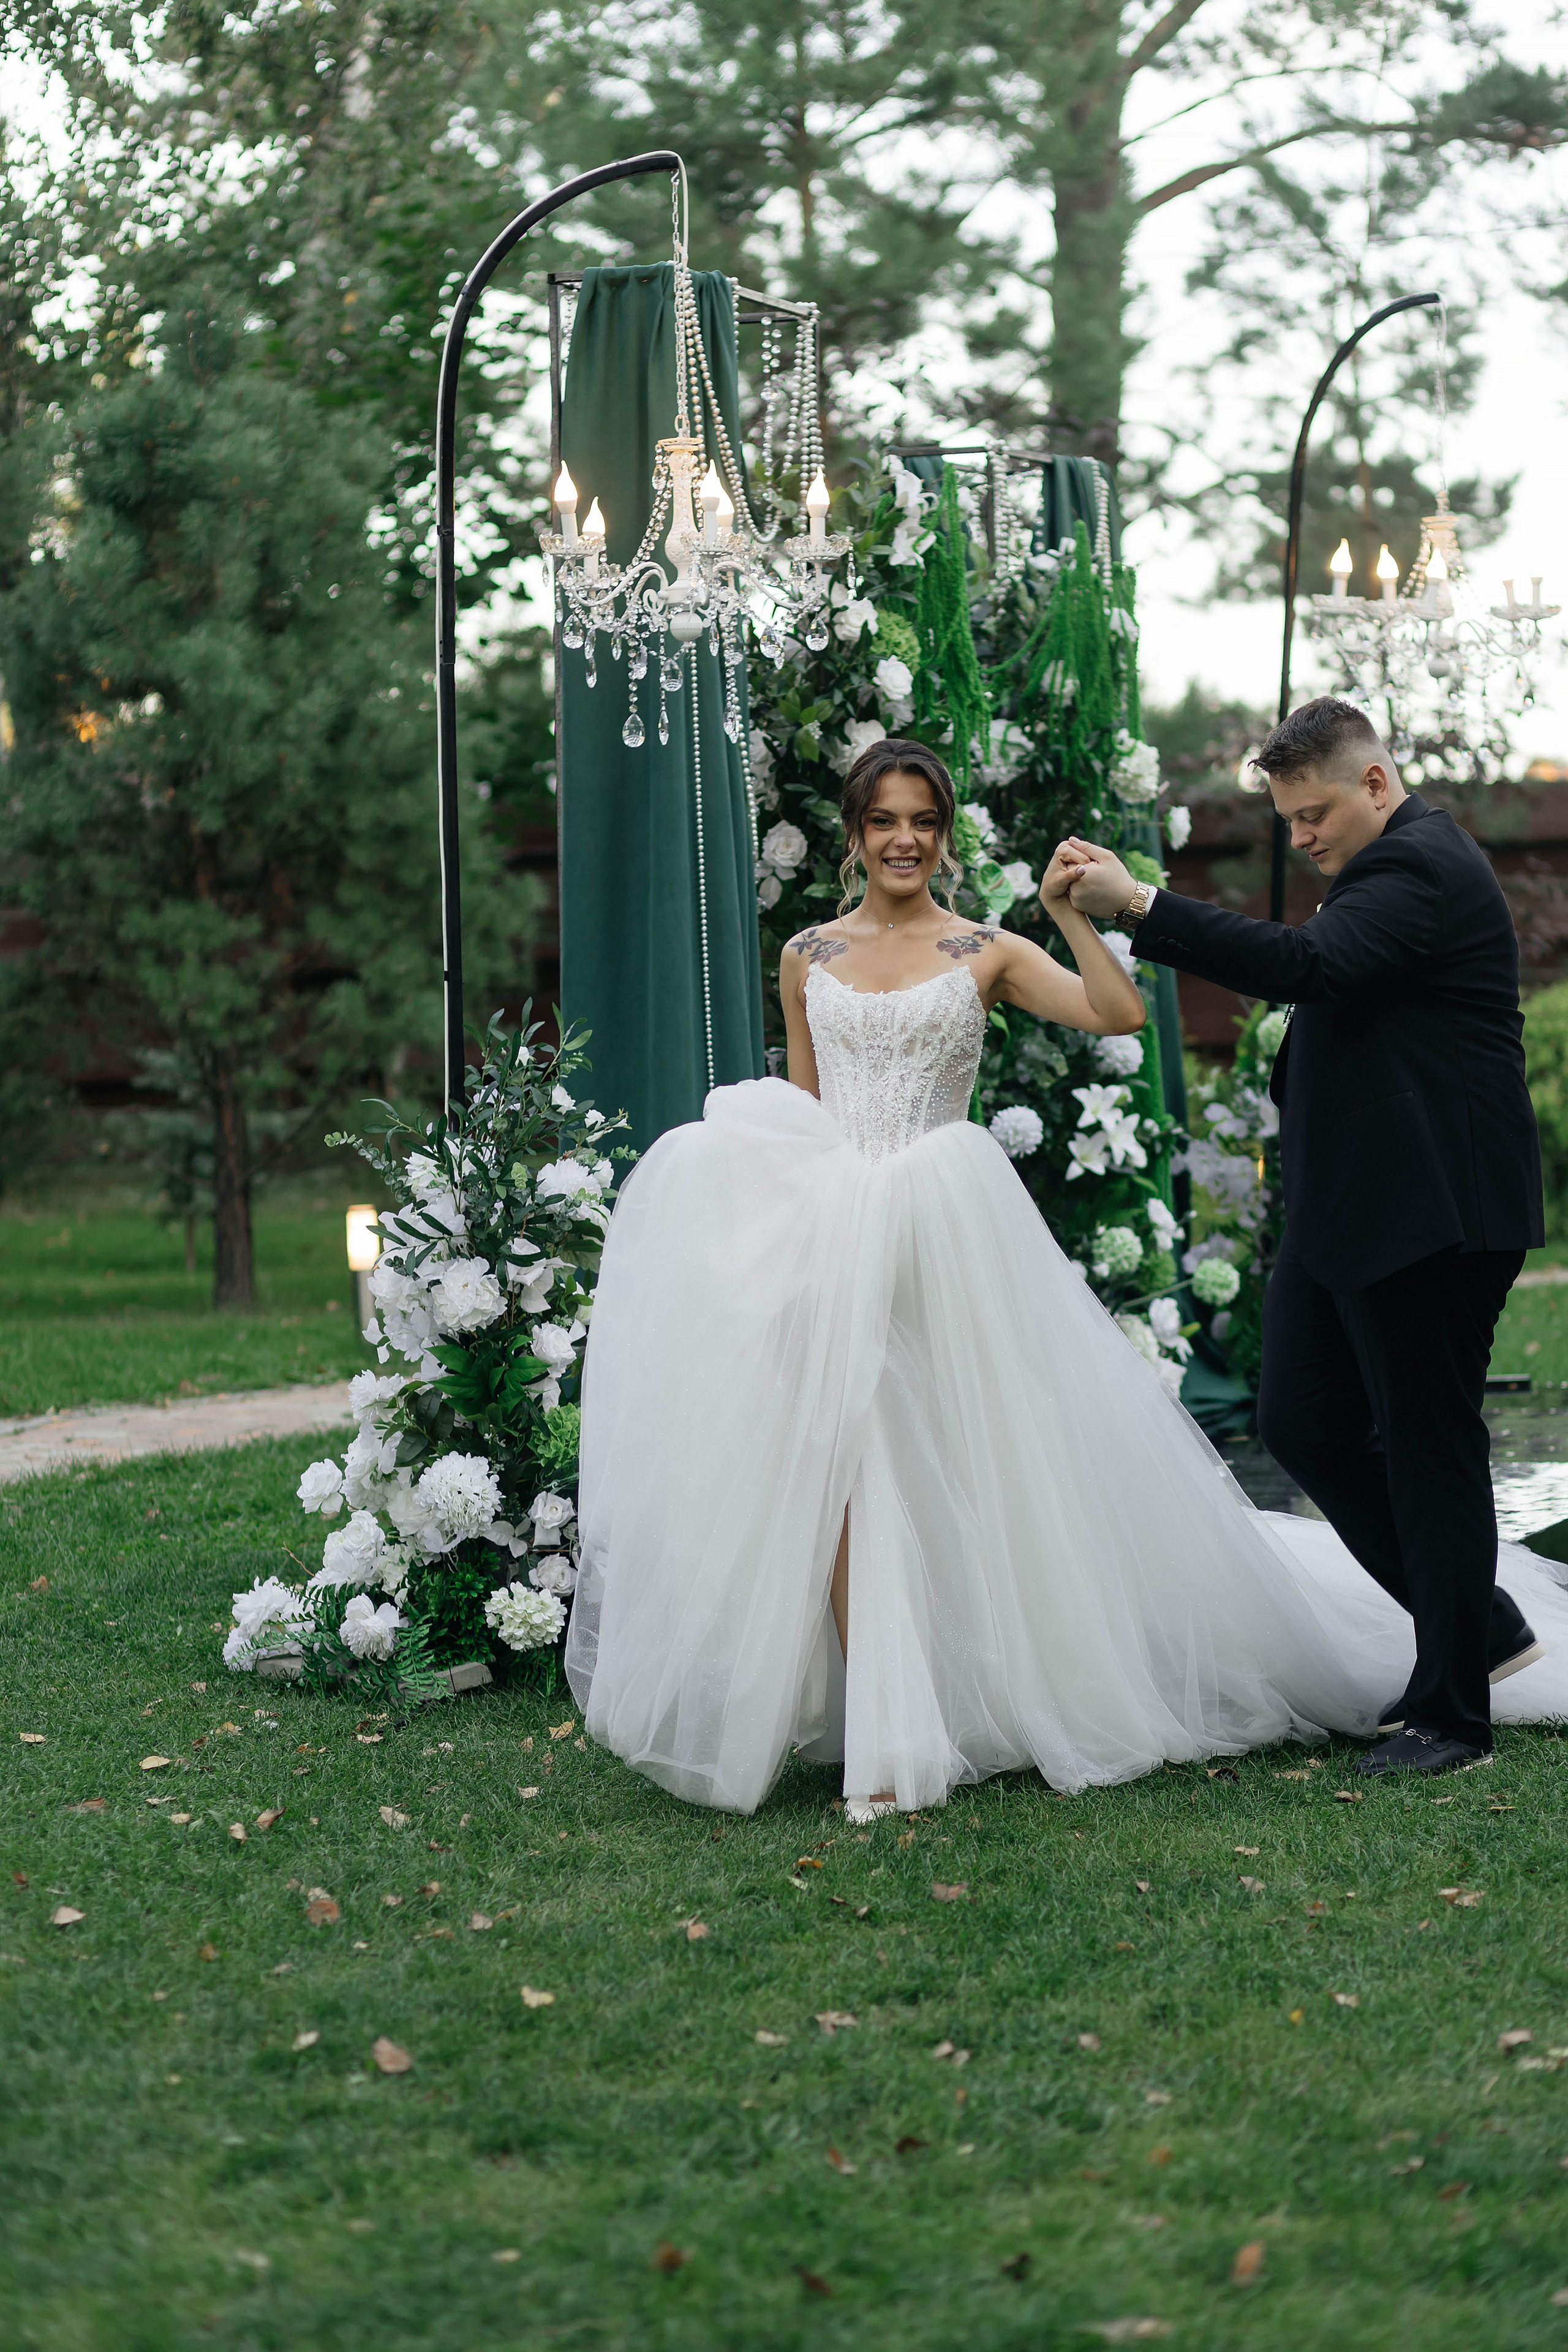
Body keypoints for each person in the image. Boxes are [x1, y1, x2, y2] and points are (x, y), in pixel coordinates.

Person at [566, 735, 1568, 1817]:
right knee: (1283, 1421)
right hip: (841, 1227)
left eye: (924, 821)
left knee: (1403, 1441)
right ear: (853, 835)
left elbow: (1228, 986)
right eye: (884, 820)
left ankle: (1455, 1692)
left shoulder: (1407, 867)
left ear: (945, 836)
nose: (905, 839)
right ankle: (880, 1716)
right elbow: (805, 1110)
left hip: (974, 1222)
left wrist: (1106, 909)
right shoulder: (808, 955)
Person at [1058, 695, 1546, 1778]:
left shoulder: (1421, 864)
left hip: (1435, 1209)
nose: (1302, 837)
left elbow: (1306, 968)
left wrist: (1137, 902)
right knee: (1302, 1419)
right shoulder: (1377, 872)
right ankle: (1481, 1626)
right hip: (1357, 1206)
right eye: (1286, 821)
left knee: (1428, 1447)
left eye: (1313, 813)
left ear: (1374, 781)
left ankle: (1454, 1715)